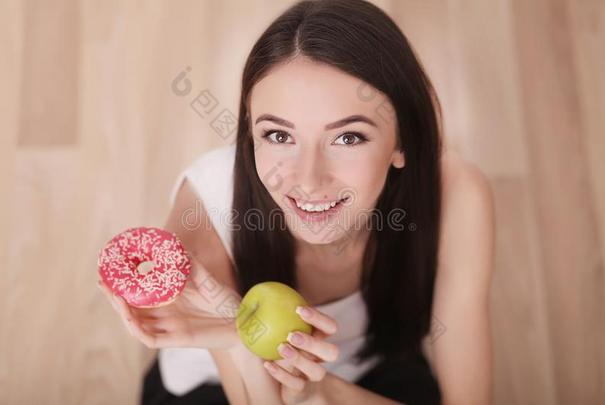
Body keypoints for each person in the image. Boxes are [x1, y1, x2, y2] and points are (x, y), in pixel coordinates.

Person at [99, 0, 495, 404]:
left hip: (369, 365)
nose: (308, 180)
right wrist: (239, 337)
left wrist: (321, 387)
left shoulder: (456, 192)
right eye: (278, 136)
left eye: (348, 138)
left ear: (403, 140)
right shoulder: (208, 212)